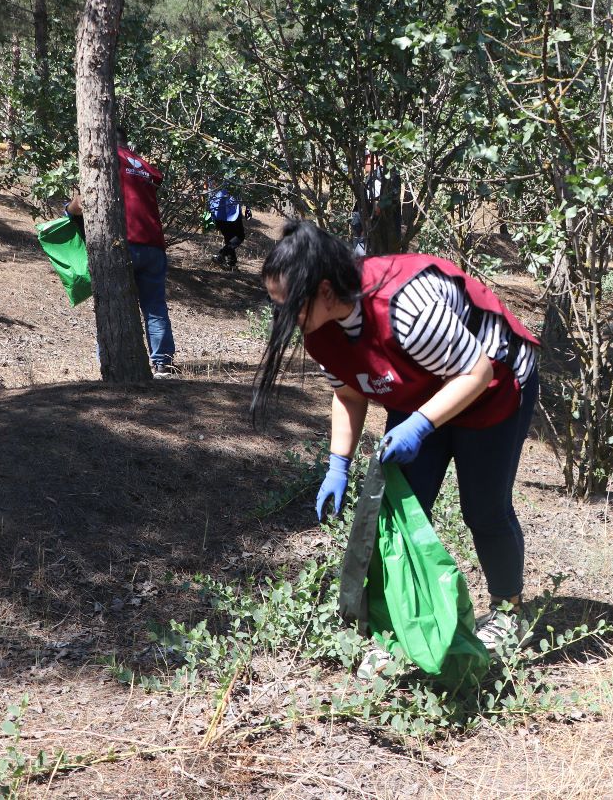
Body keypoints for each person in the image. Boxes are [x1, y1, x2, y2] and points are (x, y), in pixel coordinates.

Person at [252, 219, 540, 659]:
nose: (283, 318)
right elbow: (348, 394)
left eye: (290, 305)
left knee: (484, 509)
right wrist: (338, 464)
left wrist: (421, 424)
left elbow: (476, 373)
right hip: (420, 385)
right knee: (399, 511)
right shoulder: (321, 333)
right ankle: (397, 626)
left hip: (492, 384)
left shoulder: (406, 307)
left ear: (325, 290)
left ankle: (509, 613)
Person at [67, 124, 176, 378]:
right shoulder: (143, 165)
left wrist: (67, 209)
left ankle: (112, 363)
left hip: (121, 243)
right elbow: (155, 181)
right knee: (155, 306)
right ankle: (163, 364)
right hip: (154, 245)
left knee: (111, 301)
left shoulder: (104, 158)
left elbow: (84, 202)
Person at [207, 180, 246, 271]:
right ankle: (221, 255)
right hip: (230, 210)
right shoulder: (231, 172)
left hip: (216, 209)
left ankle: (231, 264)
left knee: (229, 238)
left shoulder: (213, 173)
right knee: (239, 236)